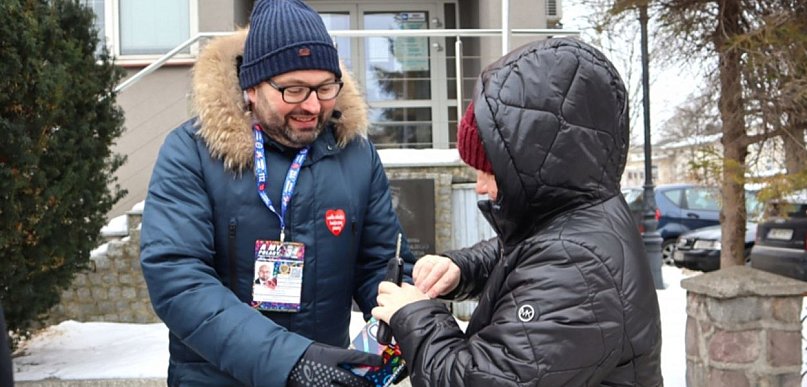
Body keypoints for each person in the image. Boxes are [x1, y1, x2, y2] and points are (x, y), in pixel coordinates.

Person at [139, 0, 414, 385]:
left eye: (324, 88)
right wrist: (291, 363)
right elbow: (178, 280)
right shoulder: (192, 153)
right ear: (251, 87)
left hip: (326, 377)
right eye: (294, 90)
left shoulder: (355, 154)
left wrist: (408, 323)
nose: (313, 106)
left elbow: (379, 264)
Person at [372, 38, 663, 386]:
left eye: (489, 168)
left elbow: (485, 380)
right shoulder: (576, 219)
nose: (480, 185)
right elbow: (522, 252)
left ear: (534, 165)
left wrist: (414, 316)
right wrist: (460, 268)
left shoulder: (580, 268)